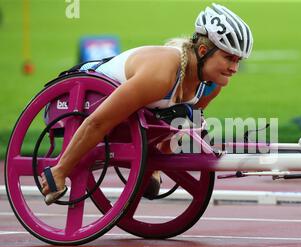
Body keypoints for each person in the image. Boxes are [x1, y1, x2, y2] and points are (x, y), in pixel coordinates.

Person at [40, 3, 254, 205]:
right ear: (203, 51)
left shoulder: (211, 85)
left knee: (184, 123)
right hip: (77, 102)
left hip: (129, 118)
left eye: (238, 61)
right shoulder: (160, 75)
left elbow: (184, 130)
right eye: (228, 58)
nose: (234, 68)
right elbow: (98, 122)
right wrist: (60, 171)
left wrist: (159, 160)